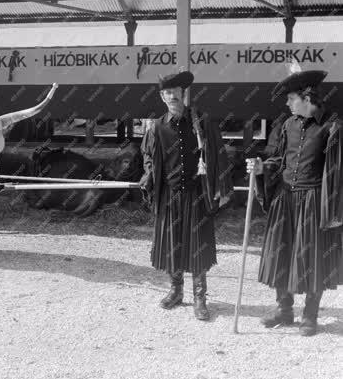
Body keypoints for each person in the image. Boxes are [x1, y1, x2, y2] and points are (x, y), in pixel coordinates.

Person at [247, 70, 342, 336]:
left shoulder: (332, 127)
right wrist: (261, 167)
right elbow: (278, 160)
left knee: (312, 257)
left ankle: (309, 316)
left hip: (313, 201)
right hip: (285, 199)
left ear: (307, 97)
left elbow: (337, 171)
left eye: (291, 98)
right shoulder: (286, 126)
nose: (287, 104)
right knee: (282, 253)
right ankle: (284, 310)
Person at [139, 71, 233, 320]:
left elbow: (219, 155)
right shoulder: (157, 127)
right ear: (161, 96)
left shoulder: (202, 122)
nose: (171, 96)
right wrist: (148, 180)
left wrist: (220, 188)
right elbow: (149, 159)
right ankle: (176, 290)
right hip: (169, 195)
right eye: (166, 92)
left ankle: (200, 298)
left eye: (175, 91)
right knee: (172, 245)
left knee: (198, 246)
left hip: (196, 194)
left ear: (183, 93)